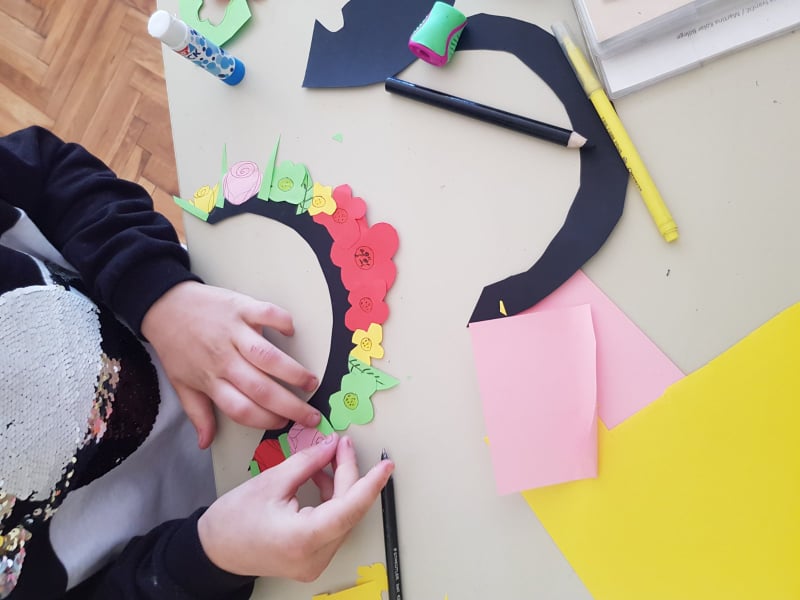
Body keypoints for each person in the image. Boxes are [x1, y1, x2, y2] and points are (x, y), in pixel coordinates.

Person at [0, 126, 394, 599]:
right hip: (229, 556)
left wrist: (157, 294)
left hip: (227, 309)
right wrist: (204, 559)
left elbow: (46, 171)